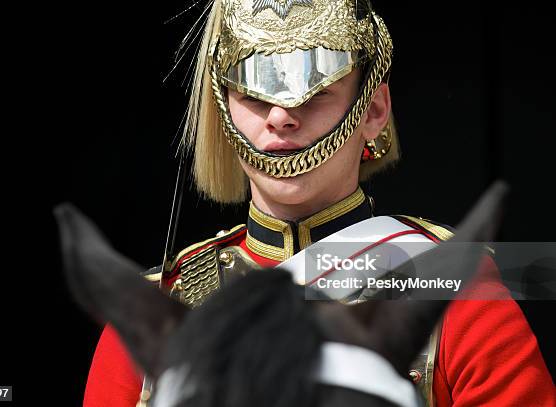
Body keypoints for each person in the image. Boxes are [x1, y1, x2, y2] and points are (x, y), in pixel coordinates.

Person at [83, 0, 555, 406]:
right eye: (252, 94)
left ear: (372, 112)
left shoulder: (456, 289)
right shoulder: (162, 301)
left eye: (318, 93)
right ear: (224, 109)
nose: (282, 117)